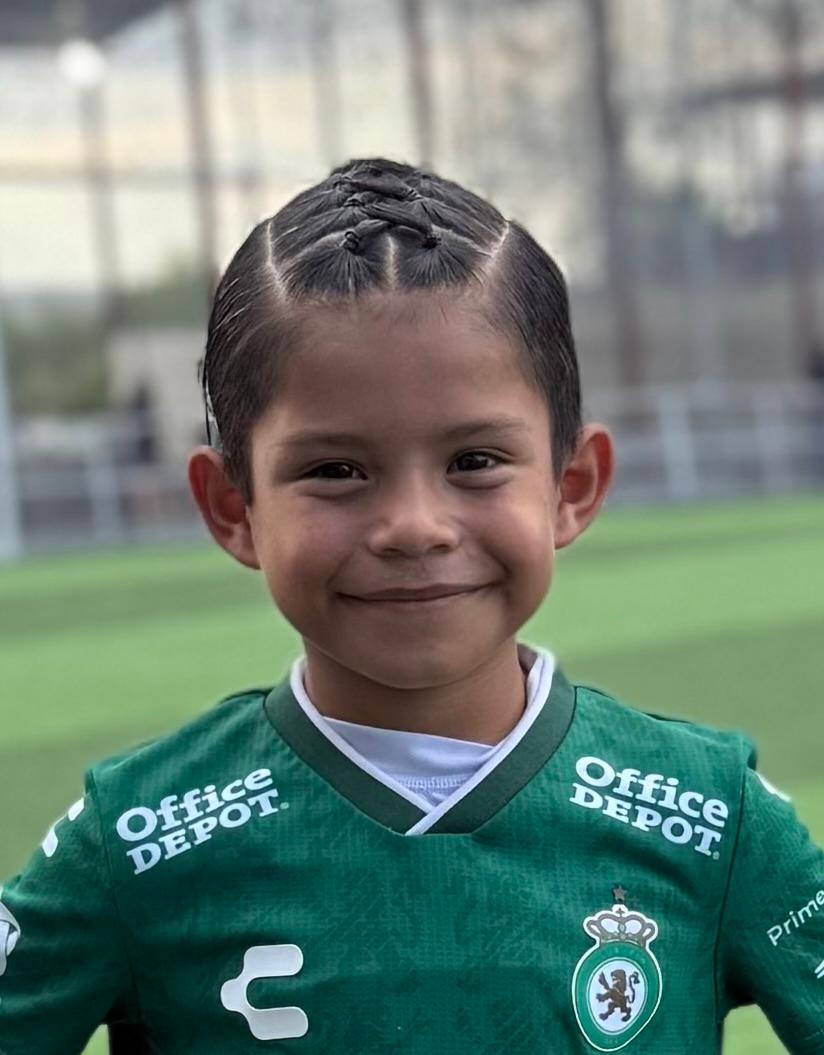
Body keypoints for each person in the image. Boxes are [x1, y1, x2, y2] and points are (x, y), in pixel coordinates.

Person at [1, 158, 822, 1055]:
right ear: (233, 508)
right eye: (335, 470)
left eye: (475, 461)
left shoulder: (710, 812)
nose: (414, 526)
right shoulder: (138, 836)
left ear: (572, 486)